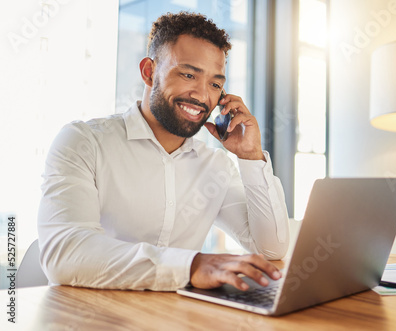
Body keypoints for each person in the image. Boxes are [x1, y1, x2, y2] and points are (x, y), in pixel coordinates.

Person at [37, 12, 289, 292]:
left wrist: (251, 156)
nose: (202, 95)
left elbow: (270, 248)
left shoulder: (215, 166)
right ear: (149, 72)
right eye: (189, 74)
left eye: (215, 84)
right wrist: (190, 267)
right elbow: (65, 253)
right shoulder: (83, 143)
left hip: (173, 316)